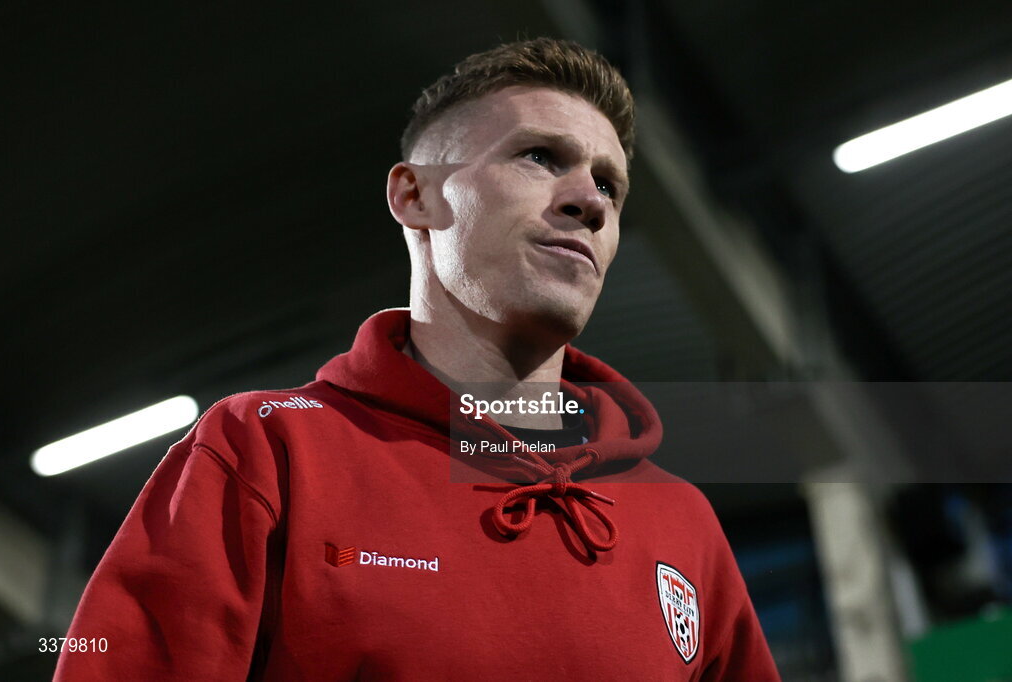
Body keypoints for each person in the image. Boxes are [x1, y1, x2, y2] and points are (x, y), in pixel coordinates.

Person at [55, 37, 780, 680]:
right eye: (540, 156)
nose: (588, 200)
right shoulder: (265, 450)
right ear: (416, 196)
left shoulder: (684, 523)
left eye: (609, 186)